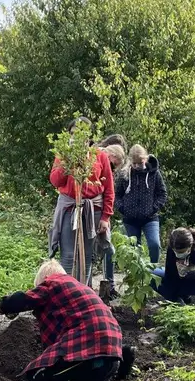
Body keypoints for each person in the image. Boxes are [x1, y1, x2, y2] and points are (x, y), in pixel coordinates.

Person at [0, 259, 133, 381]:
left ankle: (94, 365)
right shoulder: (81, 288)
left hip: (88, 355)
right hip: (112, 349)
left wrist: (4, 306)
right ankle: (120, 355)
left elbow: (22, 299)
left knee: (35, 375)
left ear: (44, 280)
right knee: (96, 365)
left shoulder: (51, 284)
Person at [49, 117, 116, 284]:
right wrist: (67, 162)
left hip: (92, 208)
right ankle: (66, 294)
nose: (76, 137)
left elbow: (109, 187)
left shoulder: (99, 156)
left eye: (81, 134)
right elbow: (56, 181)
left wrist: (106, 217)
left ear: (88, 136)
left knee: (86, 256)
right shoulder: (63, 155)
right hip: (70, 207)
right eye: (73, 134)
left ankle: (83, 294)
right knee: (68, 255)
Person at [116, 144, 168, 264]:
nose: (137, 166)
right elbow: (117, 195)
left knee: (155, 244)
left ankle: (154, 272)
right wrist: (122, 208)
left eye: (139, 163)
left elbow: (162, 194)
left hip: (150, 217)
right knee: (134, 251)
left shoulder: (154, 174)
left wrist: (153, 208)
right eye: (134, 164)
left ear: (145, 159)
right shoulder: (124, 175)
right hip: (130, 219)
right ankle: (137, 278)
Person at [96, 143, 127, 301]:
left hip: (101, 214)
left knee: (109, 250)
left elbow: (110, 193)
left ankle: (110, 286)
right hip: (91, 211)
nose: (113, 169)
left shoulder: (106, 166)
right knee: (96, 253)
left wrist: (106, 216)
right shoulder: (94, 159)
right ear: (112, 156)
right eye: (115, 165)